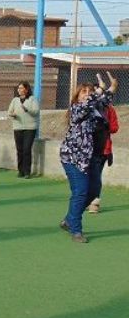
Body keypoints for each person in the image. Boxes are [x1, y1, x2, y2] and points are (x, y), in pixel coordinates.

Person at [59, 73, 117, 243]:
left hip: (90, 157)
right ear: (77, 96)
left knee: (93, 191)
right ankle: (76, 230)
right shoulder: (76, 108)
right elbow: (90, 103)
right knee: (80, 192)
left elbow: (104, 101)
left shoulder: (94, 109)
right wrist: (98, 90)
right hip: (72, 157)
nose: (87, 94)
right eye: (83, 91)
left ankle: (69, 219)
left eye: (89, 91)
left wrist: (111, 88)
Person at [88, 73, 120, 214]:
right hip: (86, 148)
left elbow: (114, 128)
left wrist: (104, 126)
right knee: (87, 176)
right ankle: (85, 199)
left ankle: (94, 202)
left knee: (96, 175)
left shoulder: (109, 110)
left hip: (103, 149)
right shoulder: (85, 109)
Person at [6, 81, 40, 179]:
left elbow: (36, 111)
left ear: (26, 89)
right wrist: (12, 115)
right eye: (18, 88)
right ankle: (20, 170)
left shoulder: (32, 99)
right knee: (19, 149)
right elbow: (9, 112)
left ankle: (27, 172)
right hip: (17, 127)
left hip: (30, 128)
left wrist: (27, 110)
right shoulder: (15, 100)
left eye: (21, 88)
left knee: (26, 149)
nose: (19, 90)